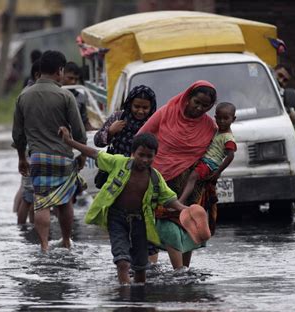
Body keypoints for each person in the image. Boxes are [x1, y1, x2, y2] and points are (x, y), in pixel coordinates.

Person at [59, 128, 188, 284]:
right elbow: (95, 153)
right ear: (133, 153)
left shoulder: (155, 177)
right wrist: (69, 142)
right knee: (122, 261)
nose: (145, 160)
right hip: (117, 218)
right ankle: (124, 297)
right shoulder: (119, 163)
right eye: (141, 155)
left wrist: (185, 209)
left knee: (141, 267)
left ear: (155, 156)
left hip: (140, 221)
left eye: (149, 156)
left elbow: (168, 198)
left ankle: (139, 299)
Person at [139, 80, 218, 270]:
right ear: (188, 98)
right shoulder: (167, 113)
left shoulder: (210, 127)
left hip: (192, 184)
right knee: (167, 224)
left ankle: (185, 268)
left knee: (188, 224)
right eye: (196, 102)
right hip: (162, 180)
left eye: (205, 106)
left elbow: (213, 154)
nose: (198, 108)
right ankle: (178, 270)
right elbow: (141, 137)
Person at [12, 50, 87, 252]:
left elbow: (18, 134)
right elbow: (79, 131)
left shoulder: (23, 96)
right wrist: (81, 155)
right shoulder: (66, 96)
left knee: (42, 202)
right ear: (59, 70)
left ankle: (44, 245)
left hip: (37, 158)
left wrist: (21, 158)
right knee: (65, 203)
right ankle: (65, 241)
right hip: (63, 157)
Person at [93, 84, 158, 261]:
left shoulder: (155, 122)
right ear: (129, 103)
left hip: (143, 180)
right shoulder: (118, 117)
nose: (140, 111)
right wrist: (111, 131)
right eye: (136, 106)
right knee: (119, 221)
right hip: (117, 179)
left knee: (146, 221)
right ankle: (124, 258)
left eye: (145, 107)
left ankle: (150, 266)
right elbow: (98, 141)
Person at [179, 102, 237, 204]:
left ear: (233, 119)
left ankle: (180, 201)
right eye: (219, 118)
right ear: (215, 117)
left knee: (192, 177)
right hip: (205, 160)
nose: (222, 121)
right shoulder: (217, 131)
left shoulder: (228, 138)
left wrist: (218, 171)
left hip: (210, 163)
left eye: (225, 118)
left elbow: (230, 156)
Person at [14, 60, 42, 225]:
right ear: (38, 75)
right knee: (28, 196)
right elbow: (19, 130)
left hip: (30, 150)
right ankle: (23, 229)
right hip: (31, 150)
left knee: (30, 195)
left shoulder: (27, 93)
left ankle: (28, 228)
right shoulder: (30, 95)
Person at [61, 61, 96, 131]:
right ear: (62, 75)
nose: (73, 82)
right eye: (70, 78)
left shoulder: (81, 97)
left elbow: (84, 121)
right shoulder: (55, 94)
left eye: (76, 79)